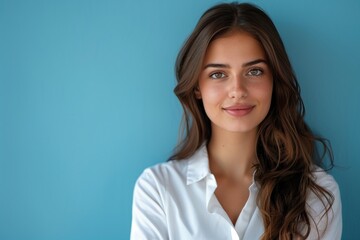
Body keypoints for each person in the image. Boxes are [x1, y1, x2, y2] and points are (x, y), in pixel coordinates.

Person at [130, 2, 342, 240]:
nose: (237, 90)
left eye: (254, 71)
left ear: (274, 80)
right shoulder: (159, 189)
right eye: (218, 74)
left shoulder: (317, 193)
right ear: (197, 87)